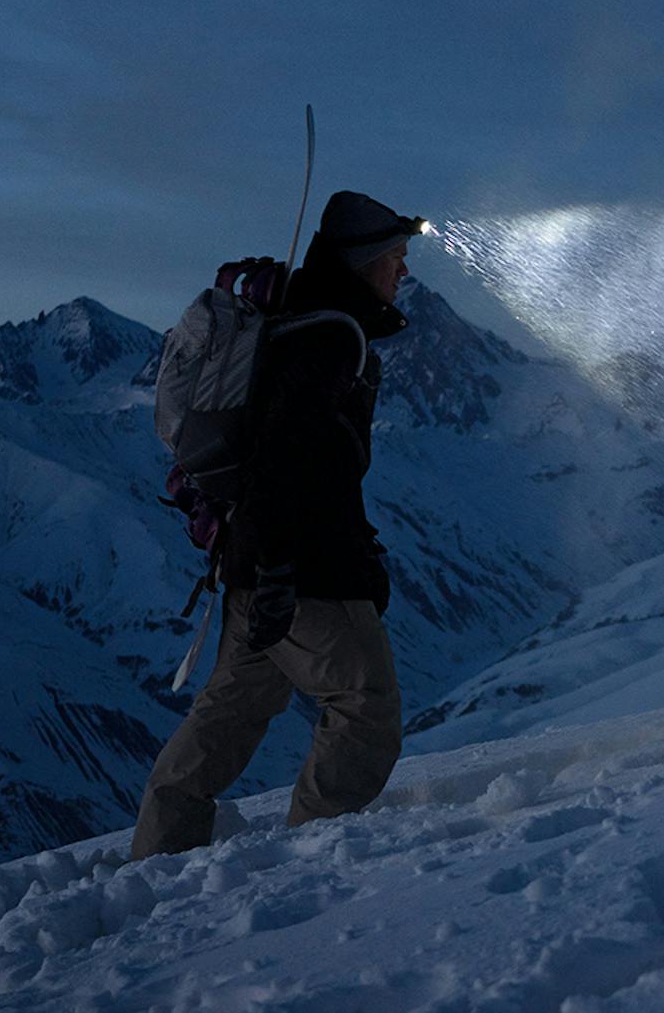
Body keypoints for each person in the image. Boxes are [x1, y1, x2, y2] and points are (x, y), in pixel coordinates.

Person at [131, 190, 421, 859]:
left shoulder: (309, 325)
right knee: (365, 704)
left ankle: (154, 856)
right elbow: (287, 460)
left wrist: (273, 564)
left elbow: (306, 465)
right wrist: (281, 570)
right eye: (395, 258)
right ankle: (312, 860)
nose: (402, 272)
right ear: (362, 259)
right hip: (297, 571)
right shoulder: (327, 338)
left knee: (227, 715)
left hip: (255, 563)